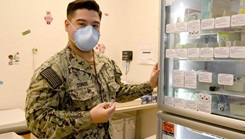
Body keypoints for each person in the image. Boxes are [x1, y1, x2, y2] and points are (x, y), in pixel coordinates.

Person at [25, 0, 160, 139]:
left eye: (95, 25)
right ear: (67, 25)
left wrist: (150, 84)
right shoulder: (53, 70)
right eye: (82, 24)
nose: (89, 31)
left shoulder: (106, 64)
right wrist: (89, 117)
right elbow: (36, 121)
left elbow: (118, 92)